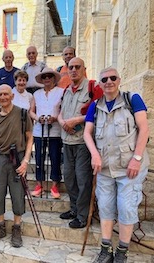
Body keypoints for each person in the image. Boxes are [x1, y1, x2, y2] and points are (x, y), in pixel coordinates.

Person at [84, 67, 150, 263]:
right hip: (104, 167)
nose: (109, 81)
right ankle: (106, 250)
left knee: (126, 207)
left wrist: (137, 158)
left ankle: (121, 252)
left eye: (113, 78)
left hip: (129, 167)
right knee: (105, 207)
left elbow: (144, 128)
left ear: (119, 80)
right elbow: (87, 132)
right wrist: (94, 154)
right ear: (99, 84)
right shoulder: (95, 106)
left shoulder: (132, 99)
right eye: (104, 79)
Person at [0, 84, 33, 247]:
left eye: (6, 94)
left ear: (12, 95)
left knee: (17, 194)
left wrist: (26, 161)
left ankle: (17, 228)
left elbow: (29, 137)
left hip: (17, 158)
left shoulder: (22, 113)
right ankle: (0, 227)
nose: (3, 97)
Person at [57, 57, 100, 229]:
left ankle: (83, 215)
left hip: (83, 142)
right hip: (67, 141)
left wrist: (76, 120)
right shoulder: (66, 89)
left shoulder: (92, 87)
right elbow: (59, 112)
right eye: (70, 67)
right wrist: (62, 123)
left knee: (83, 180)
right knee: (69, 178)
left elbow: (98, 112)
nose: (73, 70)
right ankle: (74, 209)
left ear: (84, 69)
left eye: (77, 67)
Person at [29, 68, 64, 199]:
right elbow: (31, 111)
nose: (47, 78)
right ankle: (39, 185)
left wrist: (55, 118)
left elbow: (63, 109)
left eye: (50, 76)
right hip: (39, 131)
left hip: (55, 131)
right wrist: (38, 118)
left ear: (54, 78)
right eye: (44, 77)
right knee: (39, 158)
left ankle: (55, 185)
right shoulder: (36, 94)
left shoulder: (61, 92)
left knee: (55, 158)